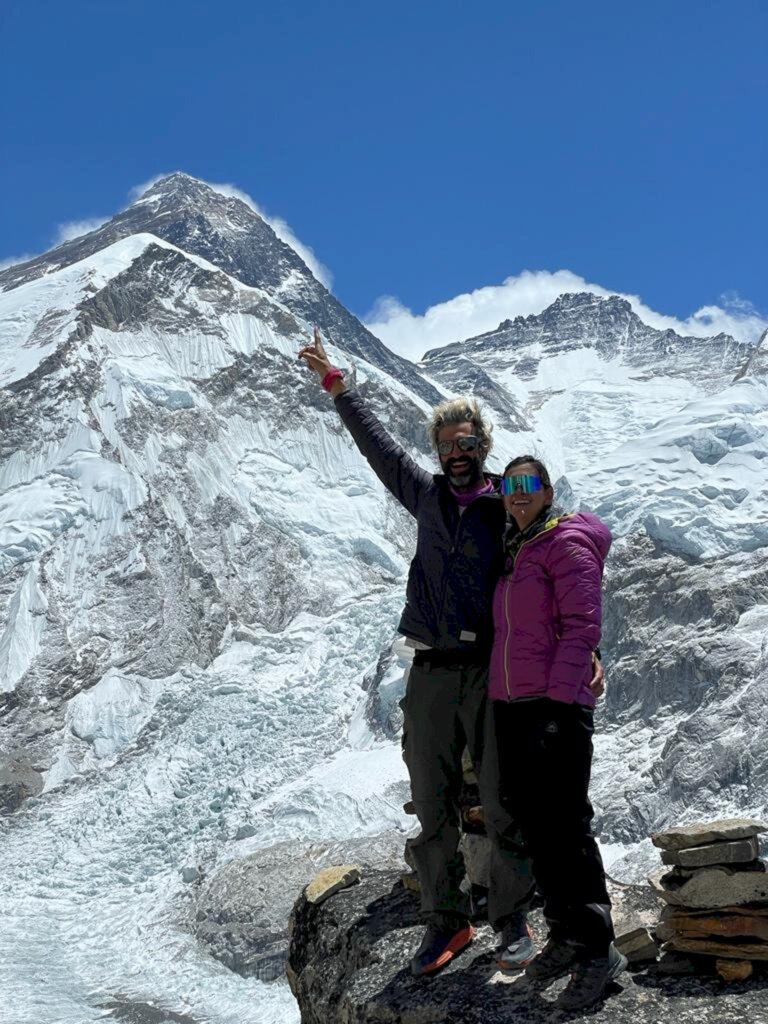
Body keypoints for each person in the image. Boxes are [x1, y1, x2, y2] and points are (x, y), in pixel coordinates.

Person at [298, 330, 605, 977]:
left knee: (502, 802)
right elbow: (379, 448)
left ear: (482, 446)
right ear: (438, 448)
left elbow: (560, 567)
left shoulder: (506, 502)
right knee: (433, 800)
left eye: (469, 442)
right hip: (432, 667)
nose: (459, 451)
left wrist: (592, 650)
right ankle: (446, 922)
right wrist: (338, 387)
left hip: (490, 675)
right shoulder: (427, 496)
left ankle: (514, 919)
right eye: (448, 442)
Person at [489, 456, 626, 1011]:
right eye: (508, 485)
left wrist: (558, 706)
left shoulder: (563, 543)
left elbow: (581, 629)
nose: (517, 494)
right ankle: (565, 935)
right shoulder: (516, 545)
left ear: (546, 491)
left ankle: (598, 949)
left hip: (555, 708)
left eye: (528, 485)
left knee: (566, 826)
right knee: (537, 826)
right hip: (513, 704)